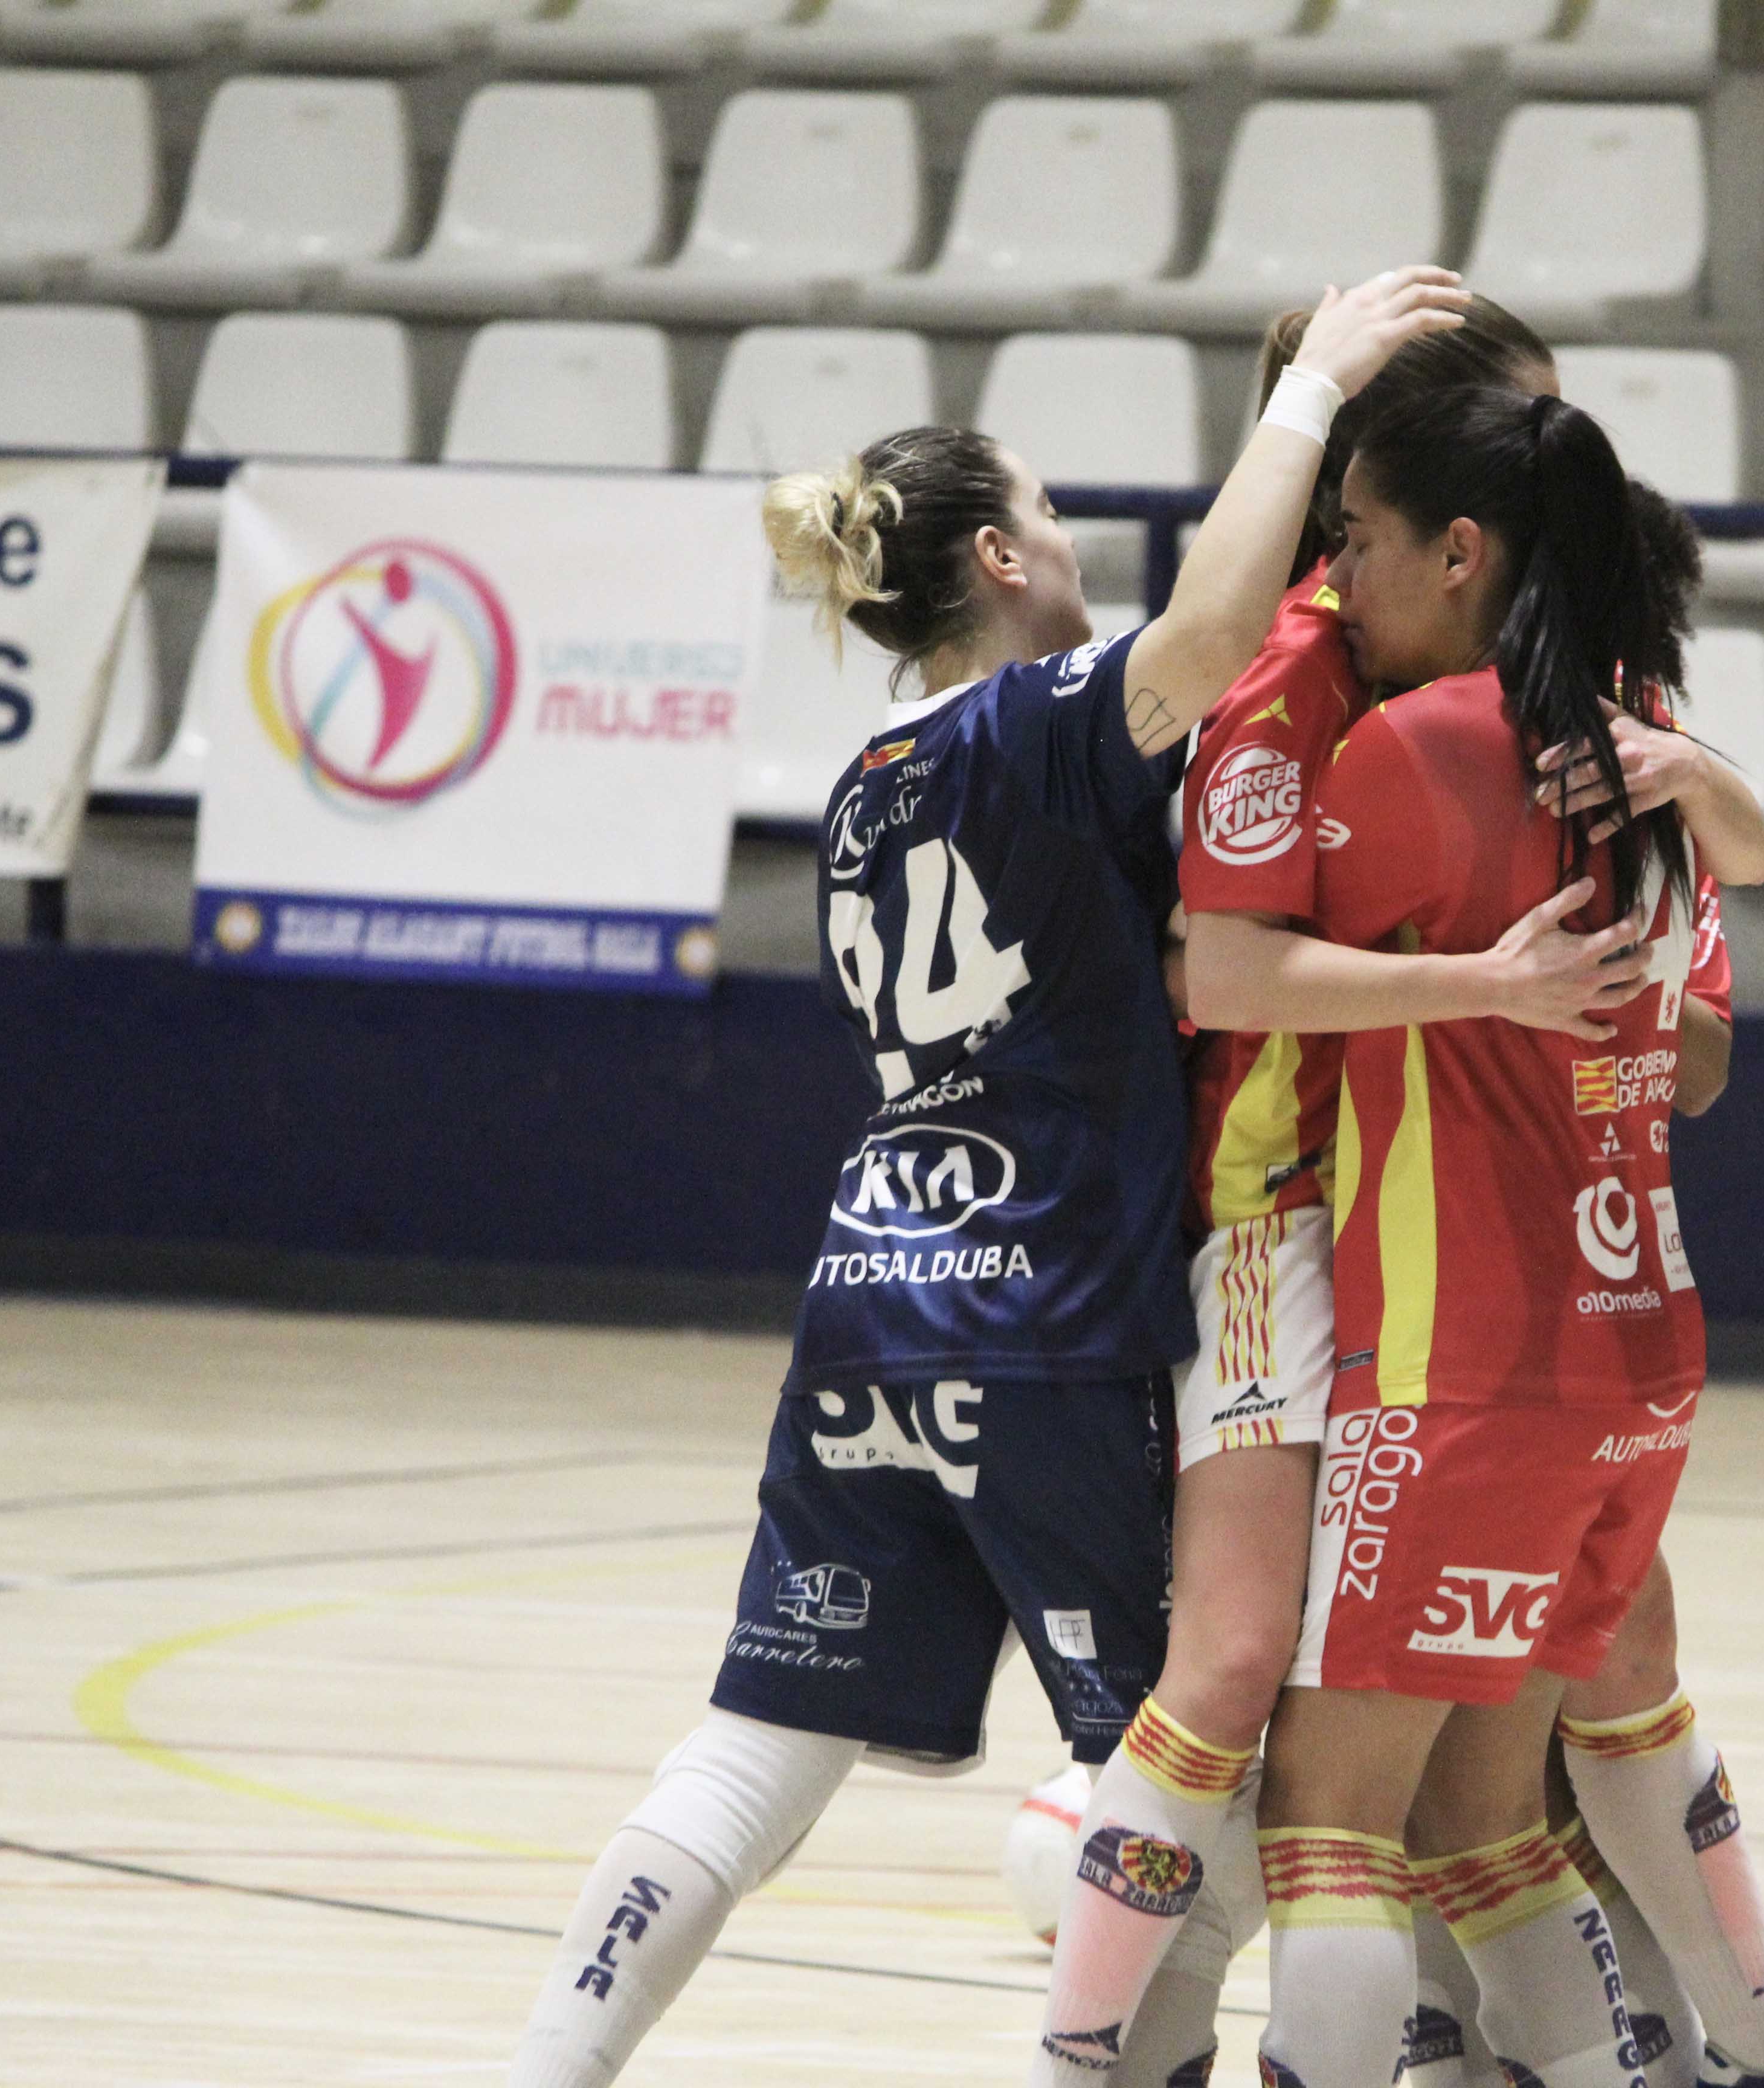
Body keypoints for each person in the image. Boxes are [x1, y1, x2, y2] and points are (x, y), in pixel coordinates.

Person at [496, 263, 1476, 2088]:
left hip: (868, 1304)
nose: (1070, 534)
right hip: (1048, 1319)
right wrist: (1316, 390)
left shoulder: (863, 783)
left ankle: (541, 2069)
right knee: (1193, 1776)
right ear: (1006, 567)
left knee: (745, 1762)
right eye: (1043, 508)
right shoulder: (1031, 729)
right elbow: (1206, 635)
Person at [1234, 385, 1764, 2088]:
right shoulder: (1645, 758)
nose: (1337, 579)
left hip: (1461, 1359)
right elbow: (1709, 1004)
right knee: (1491, 1826)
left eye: (1358, 543)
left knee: (1330, 1820)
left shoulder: (1415, 754)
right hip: (1632, 1362)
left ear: (1461, 552)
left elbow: (1235, 975)